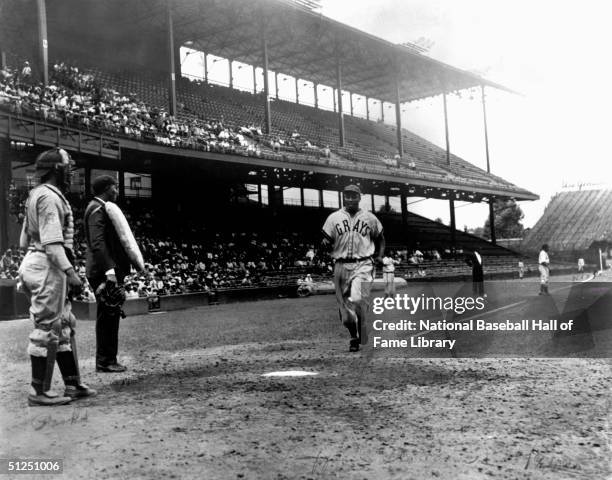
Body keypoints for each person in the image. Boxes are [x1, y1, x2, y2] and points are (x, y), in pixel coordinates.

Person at [17, 148, 96, 406]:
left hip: (37, 260)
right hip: (48, 263)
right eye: (67, 163)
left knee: (62, 324)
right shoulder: (49, 197)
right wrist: (70, 273)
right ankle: (38, 391)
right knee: (47, 328)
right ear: (57, 169)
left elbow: (22, 240)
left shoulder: (36, 194)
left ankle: (72, 383)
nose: (71, 167)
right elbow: (52, 245)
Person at [322, 185, 385, 352]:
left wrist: (379, 255)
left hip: (363, 264)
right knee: (345, 315)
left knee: (356, 299)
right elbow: (326, 240)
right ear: (343, 197)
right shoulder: (333, 218)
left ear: (359, 197)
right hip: (340, 265)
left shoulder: (369, 218)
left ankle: (362, 322)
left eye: (353, 196)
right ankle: (354, 337)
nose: (350, 199)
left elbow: (381, 239)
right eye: (347, 196)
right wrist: (324, 245)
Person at [84, 175, 131, 372]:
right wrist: (110, 271)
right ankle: (105, 361)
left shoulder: (98, 207)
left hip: (104, 269)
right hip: (104, 271)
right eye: (115, 187)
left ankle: (108, 359)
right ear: (106, 189)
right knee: (108, 315)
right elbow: (97, 242)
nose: (117, 191)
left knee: (110, 314)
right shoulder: (97, 208)